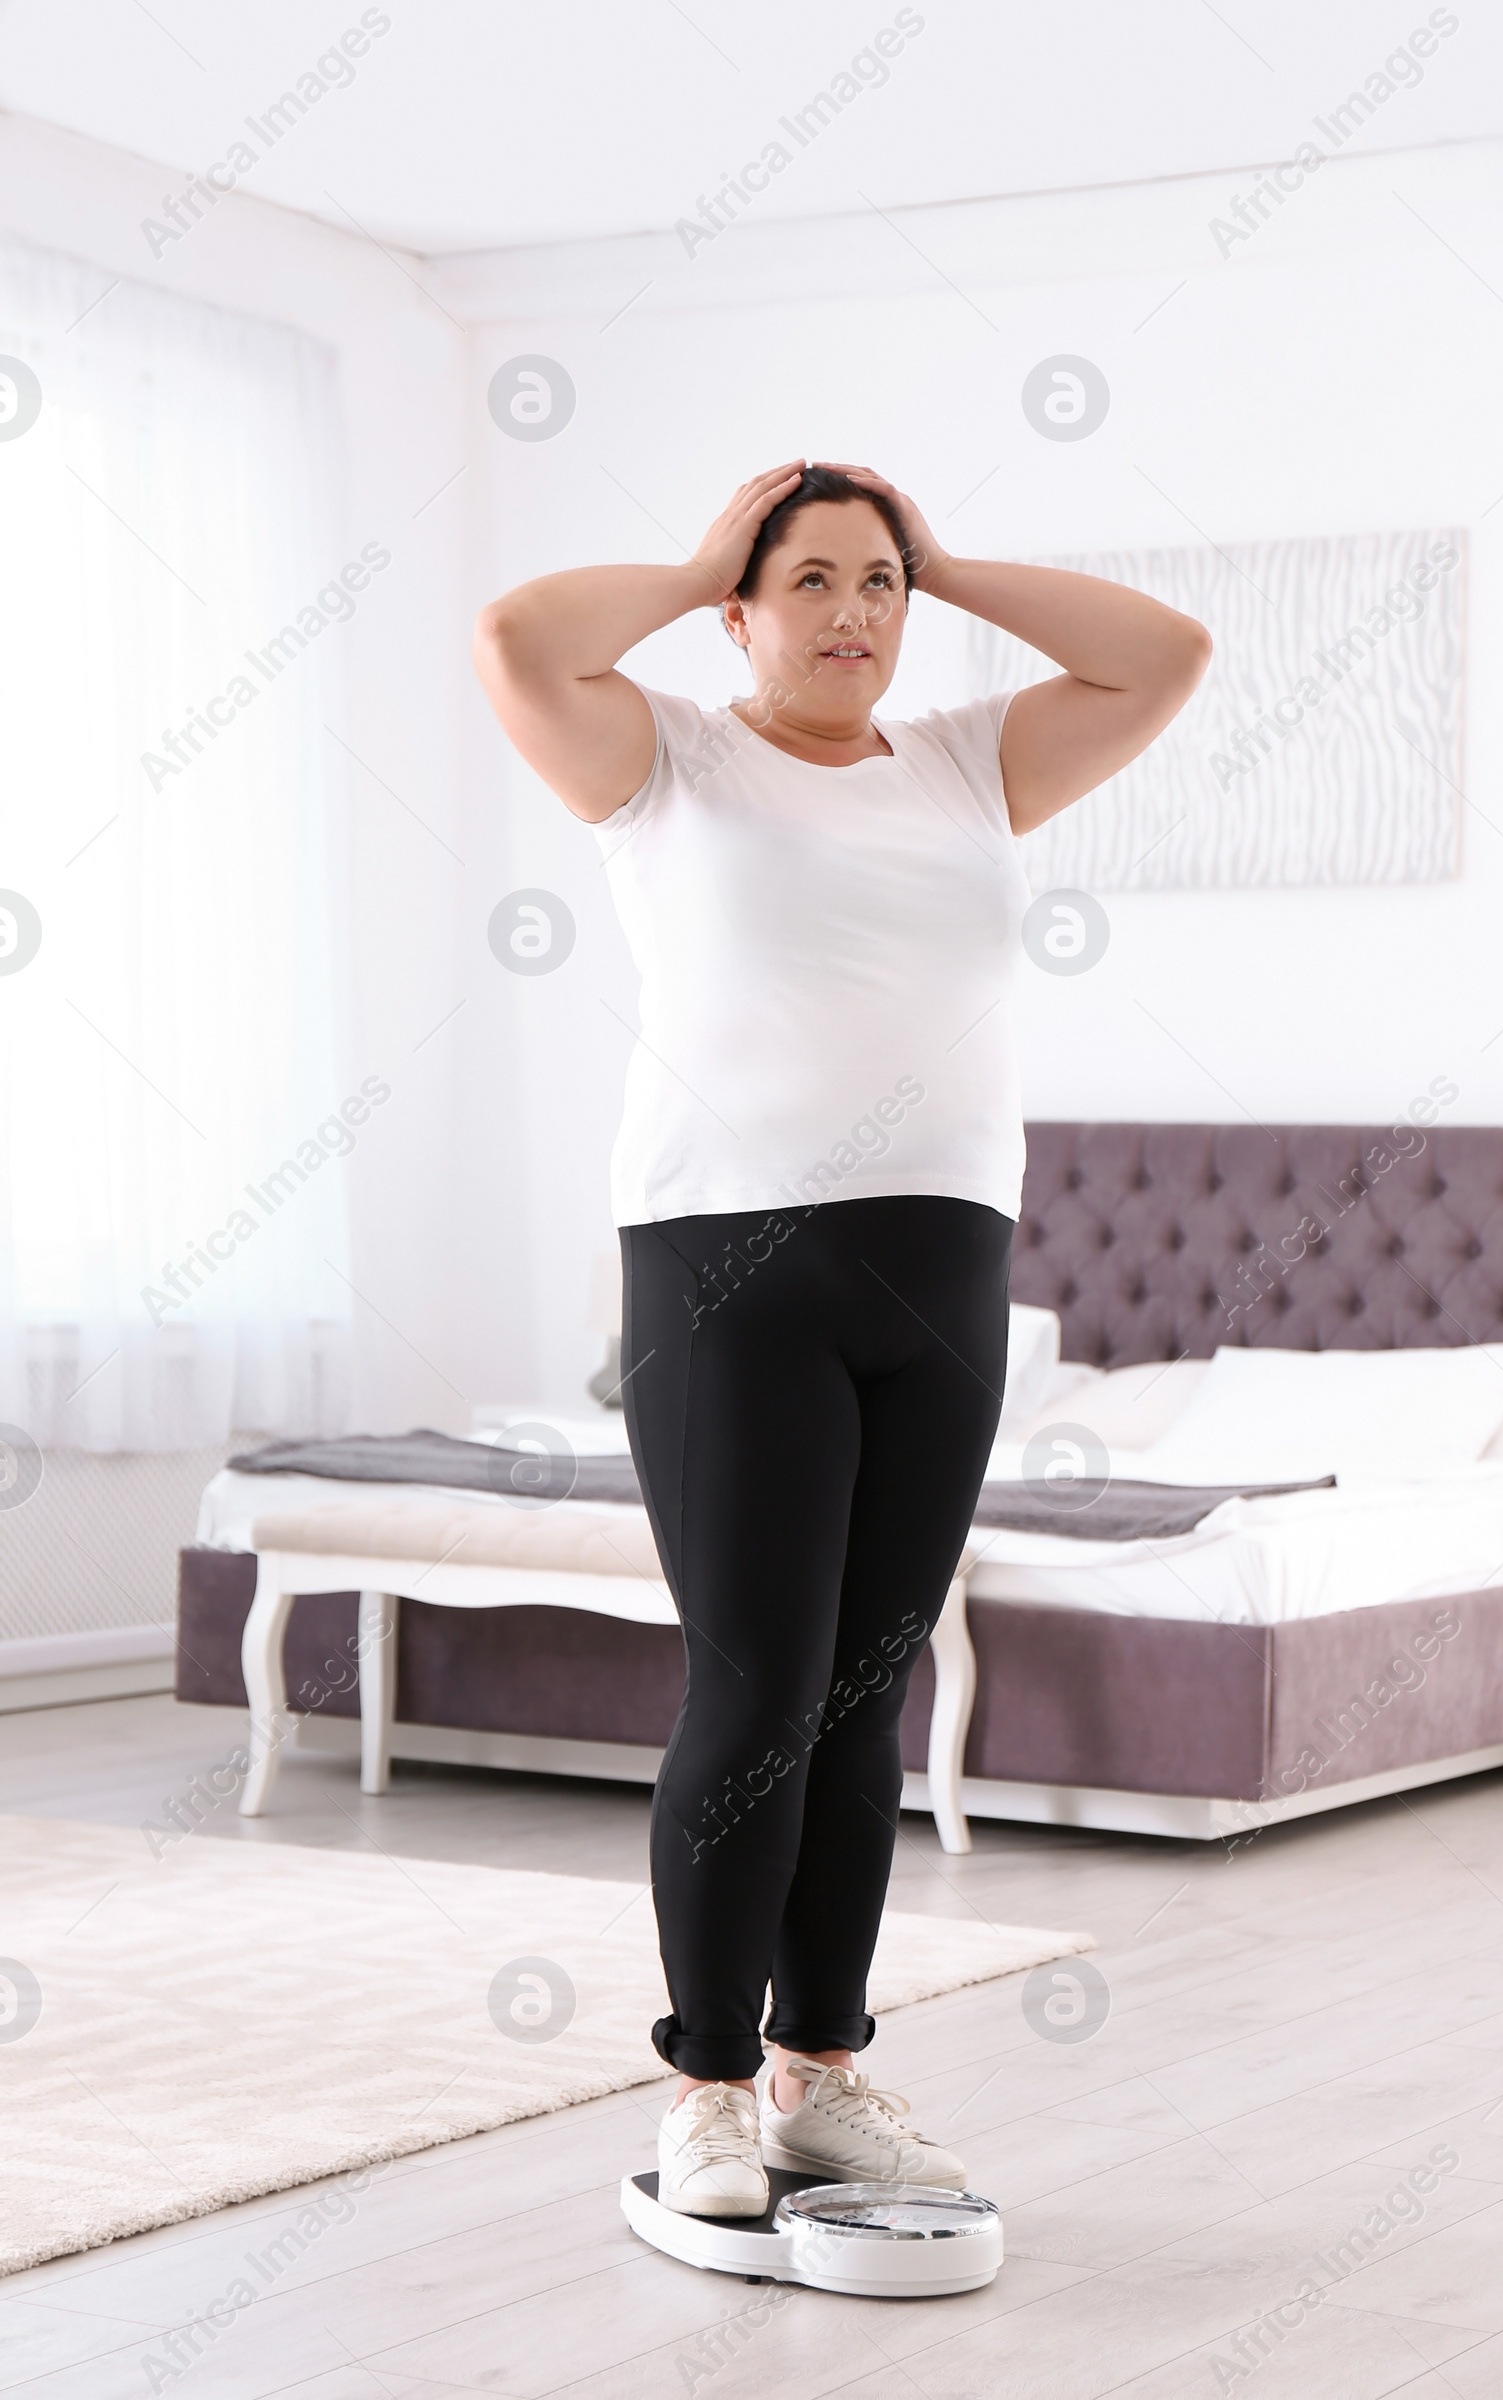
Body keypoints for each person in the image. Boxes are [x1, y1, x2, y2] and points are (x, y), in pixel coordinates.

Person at [473, 461, 1210, 2214]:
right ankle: (709, 2089)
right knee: (755, 1691)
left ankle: (825, 2074)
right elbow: (514, 635)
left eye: (879, 583)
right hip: (726, 1266)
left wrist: (947, 557)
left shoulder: (967, 764)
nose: (853, 613)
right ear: (744, 603)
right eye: (810, 581)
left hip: (940, 1265)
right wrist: (694, 556)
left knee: (868, 1694)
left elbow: (1166, 651)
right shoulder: (668, 760)